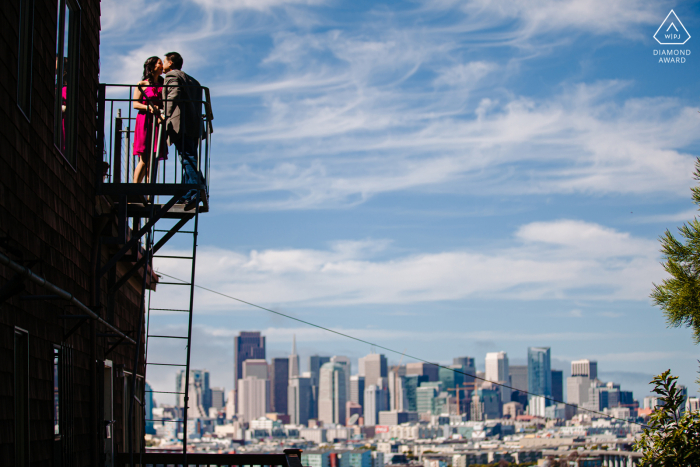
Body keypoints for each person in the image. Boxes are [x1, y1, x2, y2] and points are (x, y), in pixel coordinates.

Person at [162, 52, 203, 210]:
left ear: (171, 62)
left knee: (187, 157)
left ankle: (197, 187)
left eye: (165, 61)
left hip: (182, 123)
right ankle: (189, 193)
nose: (164, 64)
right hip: (194, 124)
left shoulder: (172, 76)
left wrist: (165, 114)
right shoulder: (194, 81)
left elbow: (174, 95)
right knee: (189, 157)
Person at [132, 56, 168, 184]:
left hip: (158, 121)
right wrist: (150, 108)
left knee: (154, 158)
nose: (162, 65)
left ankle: (149, 190)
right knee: (144, 157)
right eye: (159, 63)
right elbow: (135, 104)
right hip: (145, 121)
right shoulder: (142, 84)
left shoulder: (164, 84)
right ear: (152, 67)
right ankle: (135, 188)